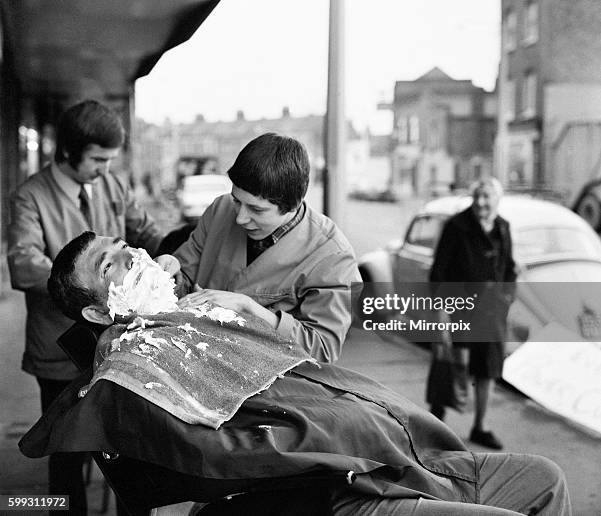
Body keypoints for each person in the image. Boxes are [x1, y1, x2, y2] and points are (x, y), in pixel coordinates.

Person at [20, 230, 571, 516]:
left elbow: (313, 359)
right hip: (333, 492)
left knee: (545, 477)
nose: (137, 256)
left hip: (398, 450)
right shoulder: (129, 373)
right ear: (97, 311)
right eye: (112, 264)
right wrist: (345, 455)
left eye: (126, 246)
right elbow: (215, 463)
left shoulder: (199, 313)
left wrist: (250, 313)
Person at [7, 100, 164, 514]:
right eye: (98, 159)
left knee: (121, 445)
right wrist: (84, 287)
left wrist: (167, 259)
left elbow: (146, 230)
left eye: (110, 160)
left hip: (115, 346)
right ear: (68, 151)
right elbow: (23, 264)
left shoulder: (113, 185)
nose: (105, 168)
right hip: (56, 351)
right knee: (65, 456)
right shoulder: (29, 196)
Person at [166, 133, 361, 363]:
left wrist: (248, 308)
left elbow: (322, 349)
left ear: (293, 204)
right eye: (237, 200)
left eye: (256, 210)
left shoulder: (332, 256)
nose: (240, 218)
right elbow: (184, 277)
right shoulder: (220, 209)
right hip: (187, 353)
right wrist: (167, 273)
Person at [429, 177, 517, 450]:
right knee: (451, 366)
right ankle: (435, 423)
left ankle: (480, 427)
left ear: (497, 200)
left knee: (487, 370)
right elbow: (438, 272)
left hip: (492, 314)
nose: (481, 202)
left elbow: (509, 267)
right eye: (477, 196)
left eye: (486, 197)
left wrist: (507, 297)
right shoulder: (457, 226)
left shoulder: (503, 227)